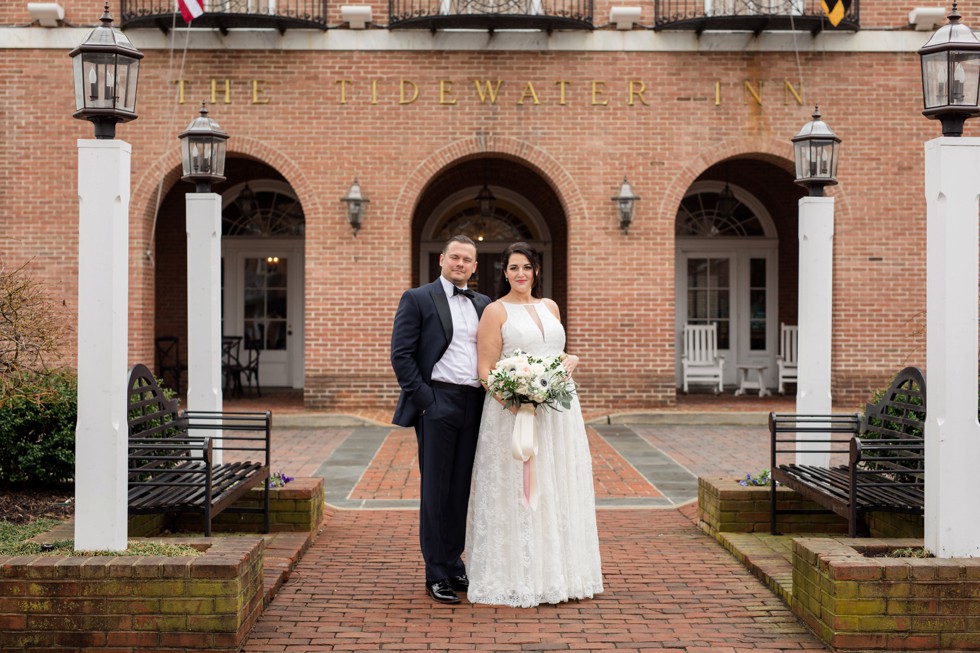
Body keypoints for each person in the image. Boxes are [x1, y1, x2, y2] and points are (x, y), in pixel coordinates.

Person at [466, 242, 603, 607]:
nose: (520, 274)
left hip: (559, 412)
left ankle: (559, 573)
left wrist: (569, 359)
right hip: (514, 414)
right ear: (505, 273)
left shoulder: (550, 307)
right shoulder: (495, 312)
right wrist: (515, 403)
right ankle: (517, 575)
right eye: (513, 268)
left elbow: (553, 352)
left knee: (557, 483)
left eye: (526, 267)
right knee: (519, 490)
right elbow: (485, 370)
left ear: (536, 270)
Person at [391, 235, 492, 605]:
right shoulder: (417, 298)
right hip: (438, 402)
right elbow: (401, 356)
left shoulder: (484, 303)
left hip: (475, 403)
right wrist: (427, 401)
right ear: (442, 260)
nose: (461, 264)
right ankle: (435, 572)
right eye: (455, 257)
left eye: (468, 259)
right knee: (436, 489)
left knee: (460, 488)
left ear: (475, 266)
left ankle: (453, 561)